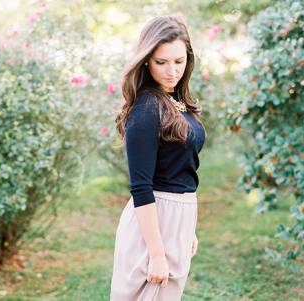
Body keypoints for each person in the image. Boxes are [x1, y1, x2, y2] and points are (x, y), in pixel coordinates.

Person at [110, 14, 207, 301]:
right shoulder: (147, 109)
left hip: (179, 215)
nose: (171, 71)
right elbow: (141, 187)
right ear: (145, 61)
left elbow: (182, 169)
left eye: (179, 62)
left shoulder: (177, 101)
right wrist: (156, 253)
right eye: (161, 62)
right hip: (154, 219)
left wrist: (186, 228)